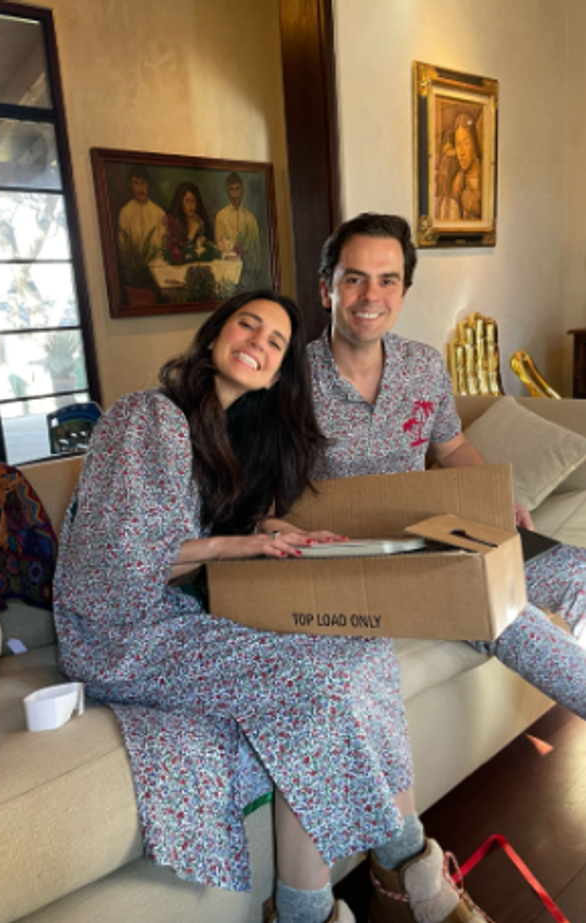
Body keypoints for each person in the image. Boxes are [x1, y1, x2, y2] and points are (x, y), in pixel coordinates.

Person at [53, 289, 482, 923]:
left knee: (361, 647)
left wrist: (282, 534)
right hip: (119, 638)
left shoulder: (227, 433)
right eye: (246, 325)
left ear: (279, 371)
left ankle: (351, 890)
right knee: (314, 688)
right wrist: (242, 544)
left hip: (175, 621)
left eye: (275, 341)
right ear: (213, 336)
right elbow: (120, 568)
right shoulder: (148, 417)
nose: (258, 341)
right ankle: (390, 881)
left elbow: (212, 532)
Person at [308, 213, 586, 911]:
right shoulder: (290, 379)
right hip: (359, 564)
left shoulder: (423, 365)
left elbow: (453, 448)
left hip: (442, 529)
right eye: (353, 279)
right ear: (326, 289)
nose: (370, 294)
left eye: (387, 279)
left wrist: (496, 497)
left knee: (573, 570)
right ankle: (405, 873)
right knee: (503, 614)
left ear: (403, 289)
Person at [215, 172, 263, 287]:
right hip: (228, 272)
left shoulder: (250, 218)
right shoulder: (221, 216)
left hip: (248, 272)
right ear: (227, 191)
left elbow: (256, 250)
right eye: (231, 190)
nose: (235, 194)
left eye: (237, 189)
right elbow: (219, 245)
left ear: (242, 190)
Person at [118, 165, 165, 255]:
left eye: (143, 182)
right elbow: (123, 246)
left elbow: (164, 244)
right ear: (130, 185)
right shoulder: (125, 212)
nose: (140, 188)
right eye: (136, 183)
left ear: (148, 184)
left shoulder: (159, 212)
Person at [449, 114, 482, 220]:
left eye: (466, 143)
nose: (461, 152)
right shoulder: (458, 181)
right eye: (458, 144)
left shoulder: (487, 176)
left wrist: (478, 210)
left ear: (474, 144)